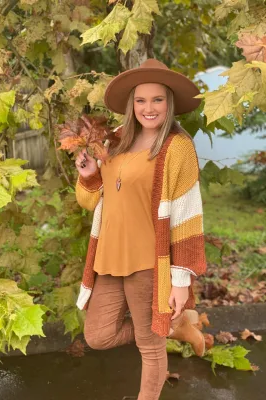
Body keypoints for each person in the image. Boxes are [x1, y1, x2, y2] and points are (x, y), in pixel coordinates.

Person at [74, 59, 207, 400]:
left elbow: (188, 217)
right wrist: (89, 173)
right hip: (109, 256)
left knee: (150, 346)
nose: (149, 108)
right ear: (132, 104)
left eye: (157, 100)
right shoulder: (116, 139)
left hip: (150, 260)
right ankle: (176, 327)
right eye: (141, 100)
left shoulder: (177, 148)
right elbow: (92, 202)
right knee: (98, 336)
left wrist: (180, 280)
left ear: (170, 103)